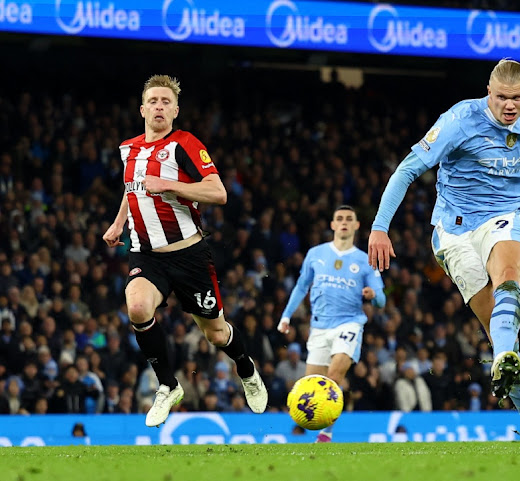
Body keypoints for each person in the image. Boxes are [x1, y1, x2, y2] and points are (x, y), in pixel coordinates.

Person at [368, 59, 520, 449]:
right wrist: (379, 227)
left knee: (508, 276)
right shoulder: (459, 119)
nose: (509, 105)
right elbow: (406, 170)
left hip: (503, 218)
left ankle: (504, 359)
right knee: (499, 329)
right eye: (501, 97)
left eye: (516, 98)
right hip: (453, 232)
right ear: (488, 92)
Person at [102, 74, 267, 427]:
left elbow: (218, 192)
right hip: (145, 254)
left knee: (217, 334)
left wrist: (170, 185)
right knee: (136, 305)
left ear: (175, 110)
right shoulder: (127, 148)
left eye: (166, 102)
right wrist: (119, 223)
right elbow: (133, 189)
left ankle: (247, 369)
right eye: (154, 101)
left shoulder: (186, 144)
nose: (159, 107)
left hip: (188, 256)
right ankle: (167, 385)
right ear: (142, 108)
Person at [278, 205, 386, 442]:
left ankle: (326, 431)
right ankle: (311, 423)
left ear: (357, 226)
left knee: (334, 375)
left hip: (349, 324)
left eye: (349, 218)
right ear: (333, 225)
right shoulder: (315, 254)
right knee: (310, 387)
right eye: (339, 219)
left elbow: (382, 299)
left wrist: (373, 296)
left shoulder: (365, 260)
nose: (344, 222)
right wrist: (286, 316)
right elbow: (301, 287)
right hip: (319, 327)